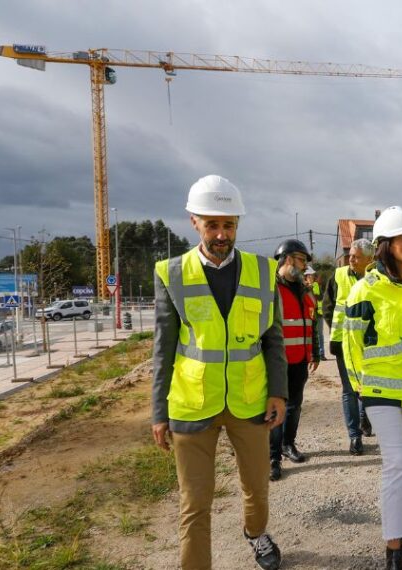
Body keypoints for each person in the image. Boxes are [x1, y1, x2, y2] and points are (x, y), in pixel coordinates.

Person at [152, 174, 286, 570]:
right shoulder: (171, 273)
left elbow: (272, 338)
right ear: (194, 221)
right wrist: (158, 412)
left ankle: (256, 534)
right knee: (194, 504)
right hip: (192, 405)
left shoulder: (264, 271)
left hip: (249, 401)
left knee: (257, 490)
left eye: (229, 224)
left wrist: (277, 392)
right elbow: (163, 348)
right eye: (212, 224)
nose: (221, 234)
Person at [342, 206, 402, 570]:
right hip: (379, 391)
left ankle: (397, 526)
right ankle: (393, 547)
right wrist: (358, 388)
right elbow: (351, 345)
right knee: (396, 461)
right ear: (387, 245)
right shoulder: (364, 291)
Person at [269, 239, 323, 481]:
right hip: (277, 362)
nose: (304, 267)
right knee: (274, 409)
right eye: (301, 261)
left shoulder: (305, 291)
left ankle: (288, 444)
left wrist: (315, 352)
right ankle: (272, 457)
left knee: (295, 406)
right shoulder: (269, 290)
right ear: (288, 259)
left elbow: (312, 324)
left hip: (300, 359)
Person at [323, 238, 375, 455]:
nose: (350, 259)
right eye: (350, 255)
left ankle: (365, 418)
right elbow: (327, 307)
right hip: (344, 344)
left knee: (369, 386)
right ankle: (355, 437)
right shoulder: (338, 275)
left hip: (370, 346)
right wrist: (339, 331)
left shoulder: (377, 279)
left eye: (356, 256)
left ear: (370, 259)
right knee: (349, 390)